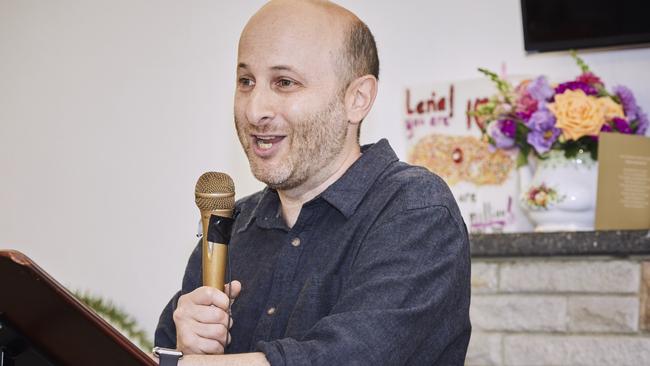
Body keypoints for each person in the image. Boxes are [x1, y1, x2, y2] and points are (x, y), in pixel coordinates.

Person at [155, 0, 471, 365]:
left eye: (285, 82)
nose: (255, 109)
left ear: (357, 99)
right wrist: (186, 345)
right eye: (246, 81)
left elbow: (349, 357)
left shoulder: (415, 208)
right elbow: (154, 354)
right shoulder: (229, 224)